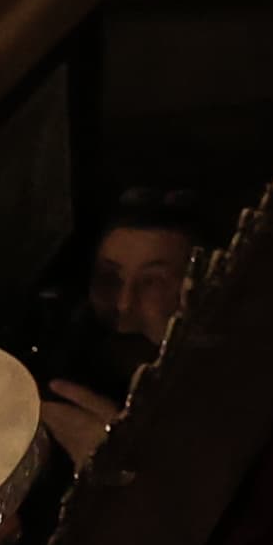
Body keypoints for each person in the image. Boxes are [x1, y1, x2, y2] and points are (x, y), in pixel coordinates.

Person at [35, 195, 203, 467]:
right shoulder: (63, 362)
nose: (124, 304)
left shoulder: (208, 399)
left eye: (152, 283)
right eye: (109, 278)